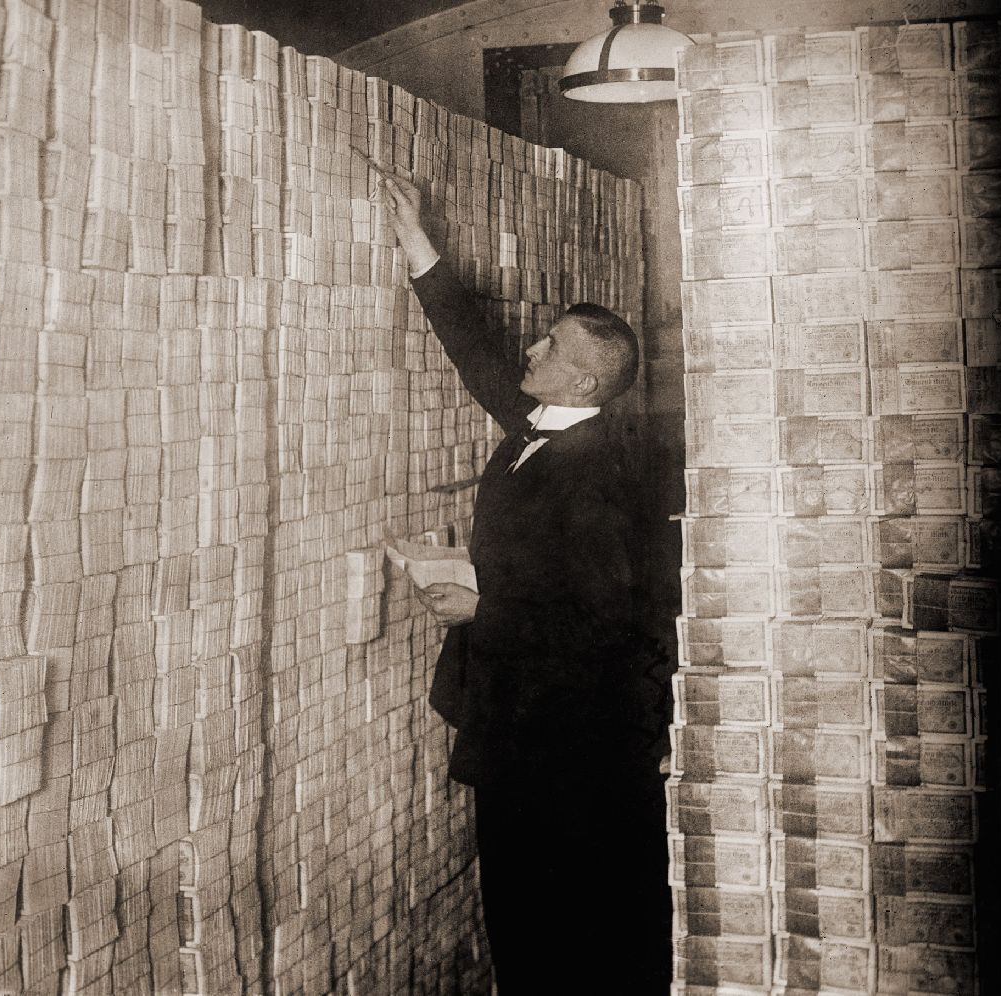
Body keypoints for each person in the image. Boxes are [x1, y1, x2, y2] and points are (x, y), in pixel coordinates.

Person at [374, 164, 670, 992]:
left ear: (584, 381)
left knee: (552, 922)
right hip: (523, 725)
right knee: (521, 918)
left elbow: (598, 623)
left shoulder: (598, 475)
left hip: (562, 744)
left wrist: (481, 607)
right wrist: (418, 244)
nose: (530, 349)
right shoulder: (548, 423)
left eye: (550, 348)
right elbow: (482, 359)